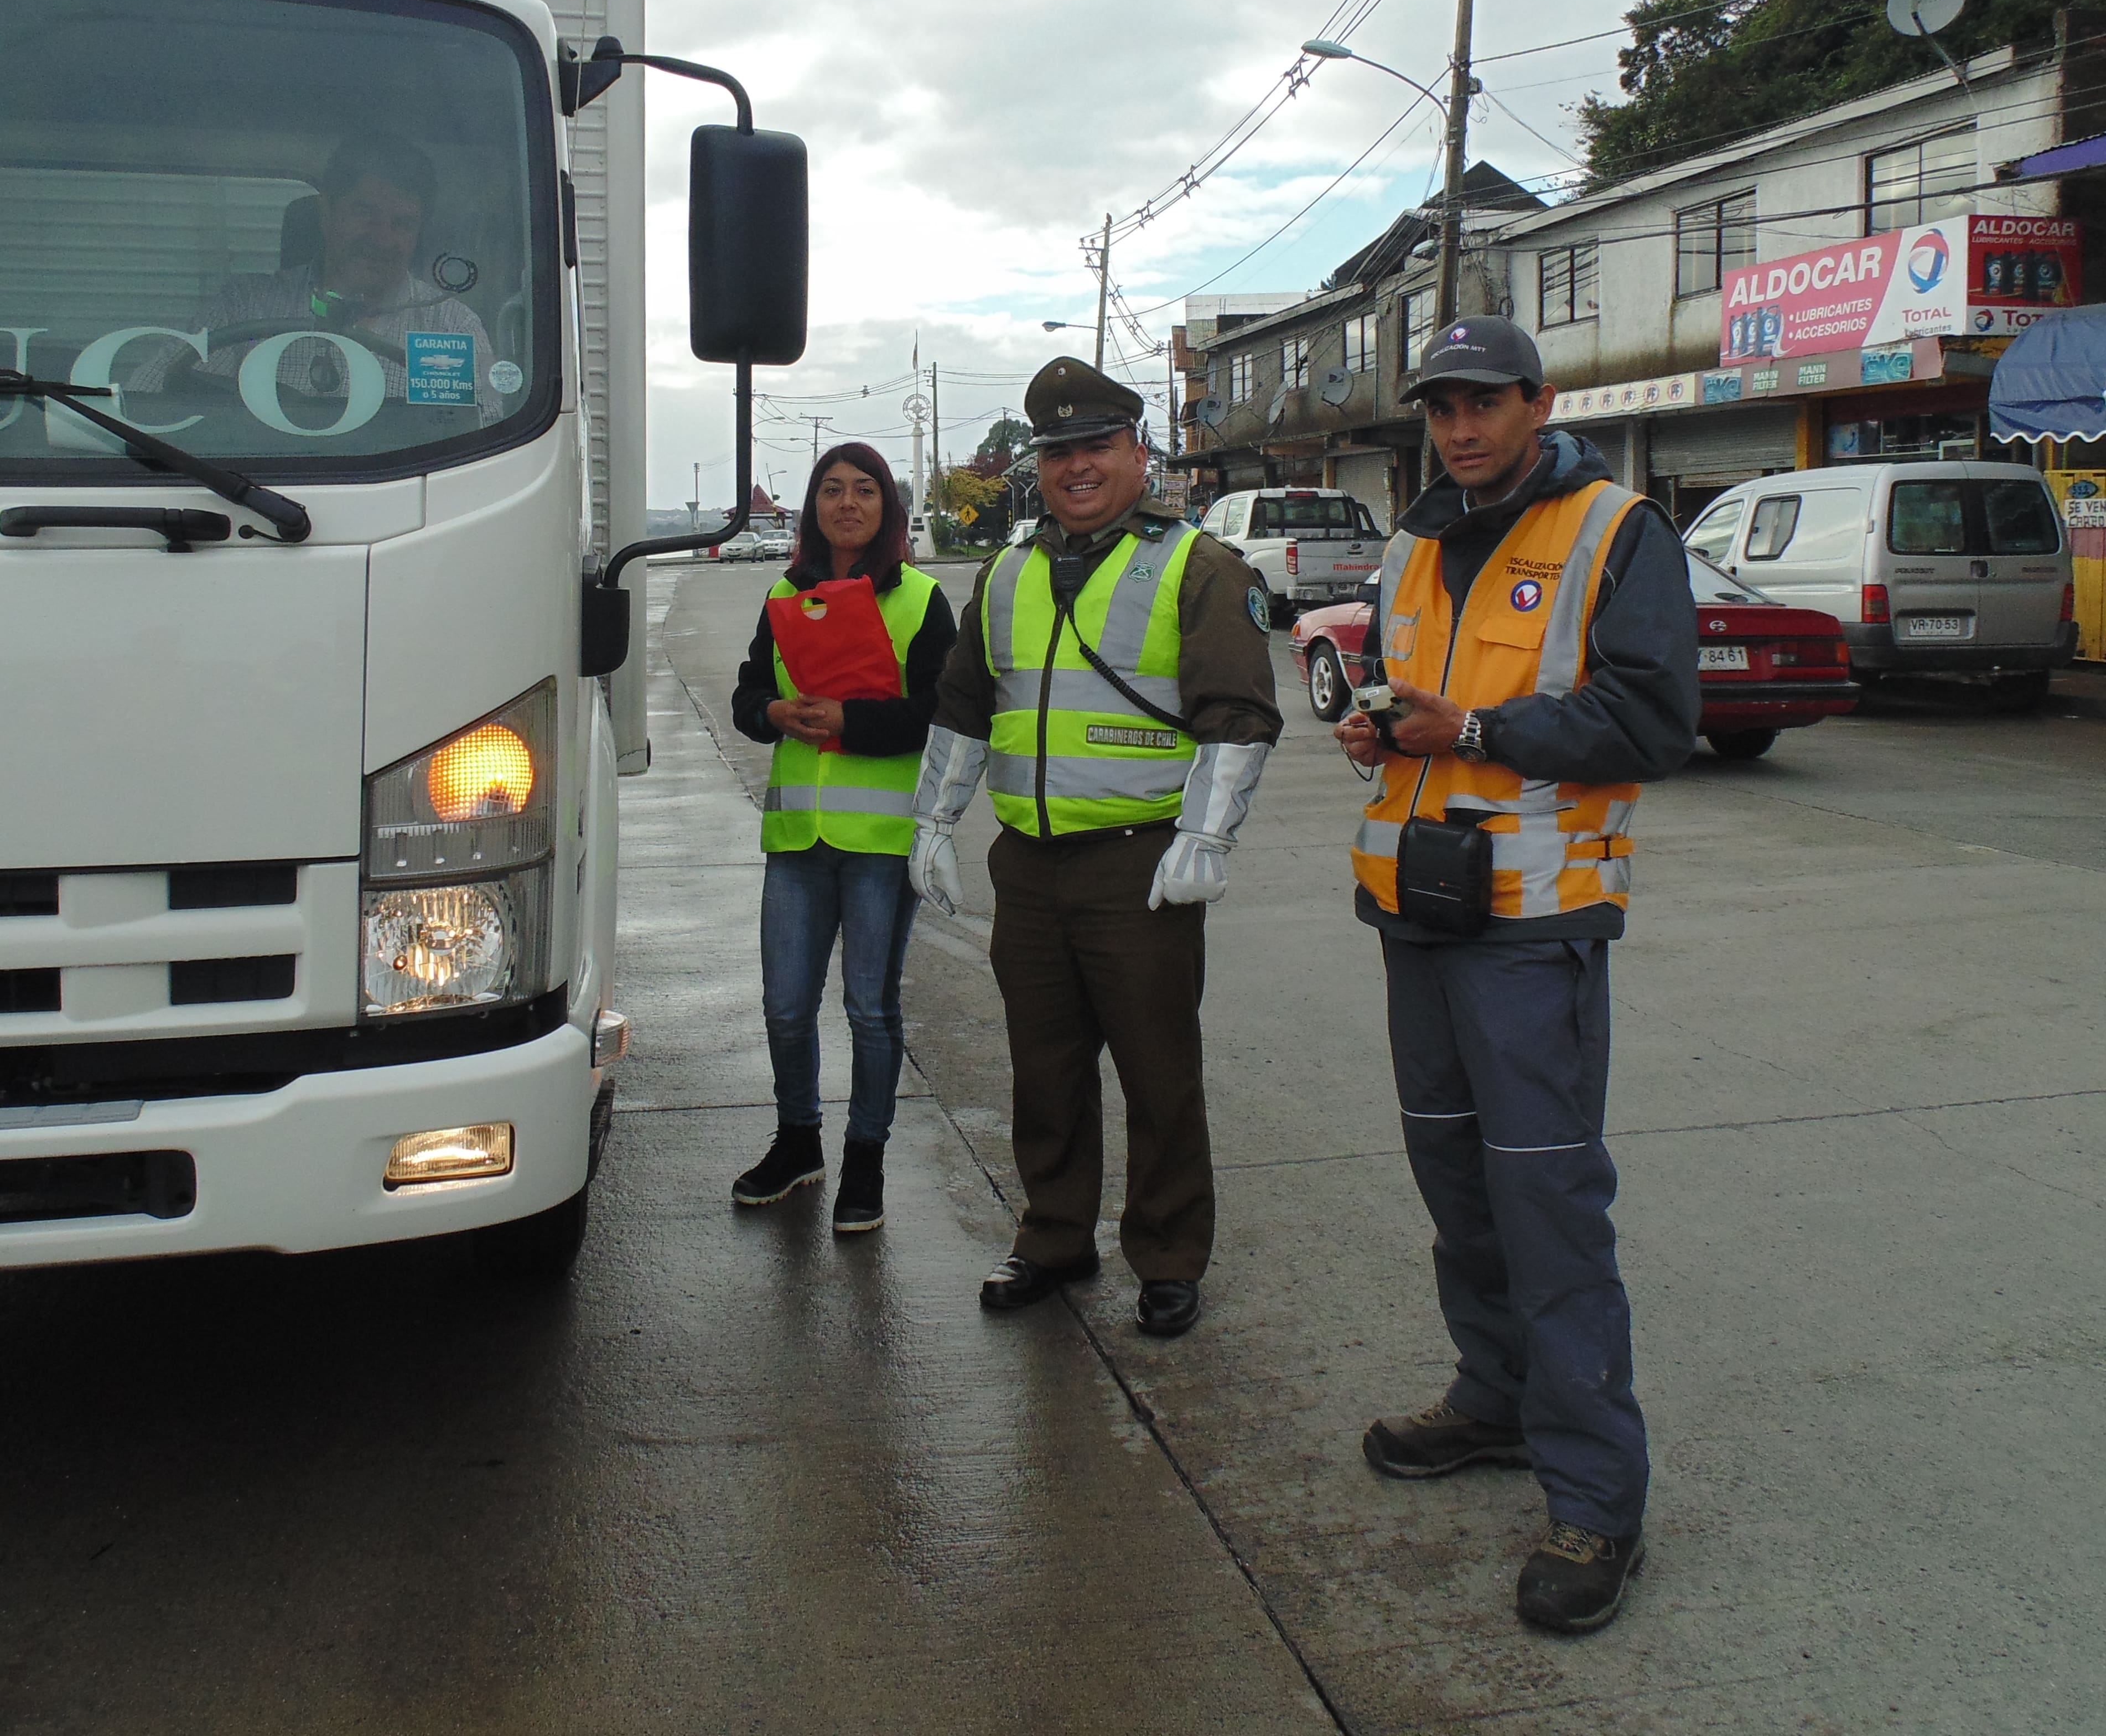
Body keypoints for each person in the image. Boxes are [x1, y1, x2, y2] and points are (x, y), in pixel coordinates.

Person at [1331, 314, 1699, 1637]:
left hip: (1535, 927)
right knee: (1454, 1182)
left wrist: (1472, 728)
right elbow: (1408, 698)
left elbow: (1654, 721)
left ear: (1537, 403)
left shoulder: (1614, 531)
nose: (1460, 425)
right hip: (1415, 911)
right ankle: (1492, 1397)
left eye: (1483, 400)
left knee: (1546, 1203)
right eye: (1440, 405)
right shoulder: (1413, 541)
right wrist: (1377, 731)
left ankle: (1595, 1495)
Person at [909, 359, 1279, 1339]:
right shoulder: (1005, 572)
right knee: (1044, 1065)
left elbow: (1235, 715)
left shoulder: (1196, 566)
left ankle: (1164, 1254)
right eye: (1057, 452)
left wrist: (1204, 836)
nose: (1075, 467)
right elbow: (962, 705)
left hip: (1136, 863)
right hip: (1026, 863)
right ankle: (1053, 1234)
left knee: (1158, 1070)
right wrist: (933, 821)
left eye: (1095, 447)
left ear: (1136, 453)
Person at [727, 442, 957, 1233]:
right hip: (797, 837)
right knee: (786, 1007)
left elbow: (942, 712)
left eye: (865, 490)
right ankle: (799, 1144)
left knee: (869, 1008)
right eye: (832, 490)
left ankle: (866, 1158)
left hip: (880, 843)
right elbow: (749, 691)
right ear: (813, 506)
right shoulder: (786, 593)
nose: (848, 503)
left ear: (887, 507)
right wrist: (774, 714)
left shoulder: (922, 600)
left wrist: (852, 721)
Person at [126, 132, 512, 416]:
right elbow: (147, 401)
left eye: (402, 224)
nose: (383, 239)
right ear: (327, 215)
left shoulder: (451, 327)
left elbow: (490, 438)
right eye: (366, 214)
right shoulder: (245, 306)